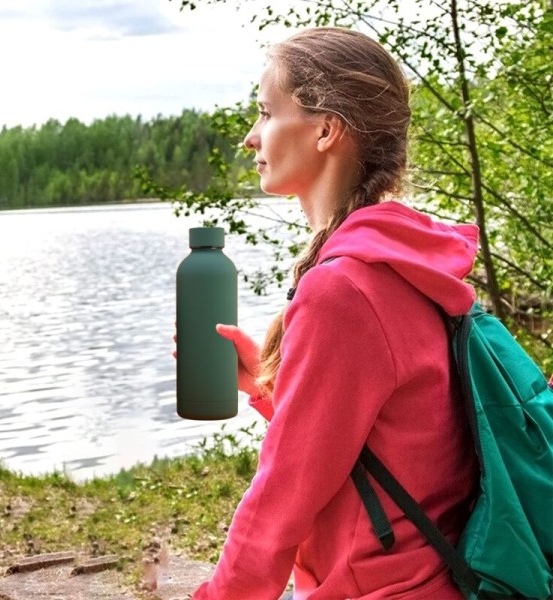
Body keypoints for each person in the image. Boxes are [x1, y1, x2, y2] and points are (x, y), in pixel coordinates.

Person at [190, 27, 479, 599]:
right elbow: (385, 445)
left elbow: (282, 498)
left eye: (267, 112)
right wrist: (270, 388)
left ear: (326, 129)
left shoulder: (344, 289)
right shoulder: (402, 262)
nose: (251, 137)